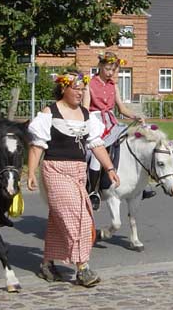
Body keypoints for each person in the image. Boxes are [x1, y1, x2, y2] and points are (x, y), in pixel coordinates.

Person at [27, 71, 120, 288]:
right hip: (55, 170)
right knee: (78, 218)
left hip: (79, 172)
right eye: (75, 88)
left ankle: (47, 264)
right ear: (63, 89)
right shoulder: (49, 113)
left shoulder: (87, 116)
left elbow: (96, 144)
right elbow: (37, 145)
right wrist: (31, 172)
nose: (80, 92)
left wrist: (109, 168)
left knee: (60, 219)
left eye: (82, 89)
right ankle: (82, 268)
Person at [82, 51, 152, 209]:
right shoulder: (89, 84)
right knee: (97, 150)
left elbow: (121, 108)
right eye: (108, 69)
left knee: (132, 141)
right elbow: (86, 108)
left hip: (111, 121)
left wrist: (135, 116)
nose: (110, 73)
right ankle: (93, 190)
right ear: (100, 66)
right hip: (95, 120)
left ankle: (139, 185)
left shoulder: (114, 86)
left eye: (113, 70)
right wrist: (87, 124)